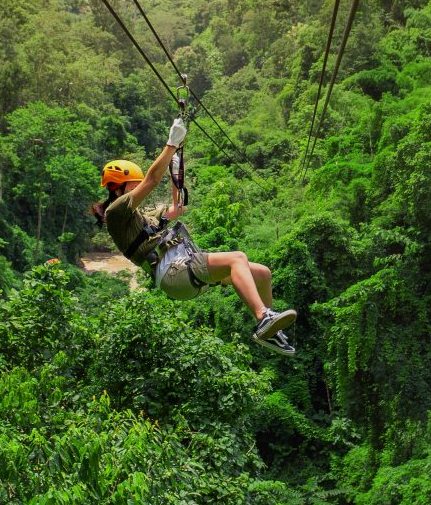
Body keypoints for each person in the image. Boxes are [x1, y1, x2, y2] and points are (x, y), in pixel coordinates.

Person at [92, 116, 296, 356]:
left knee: (262, 274)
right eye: (132, 186)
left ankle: (268, 329)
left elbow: (176, 210)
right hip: (174, 271)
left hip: (180, 271)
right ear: (118, 188)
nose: (137, 190)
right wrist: (171, 143)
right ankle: (263, 317)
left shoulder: (141, 216)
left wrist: (175, 169)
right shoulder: (116, 213)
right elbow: (151, 179)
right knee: (237, 258)